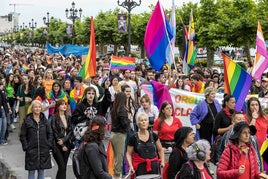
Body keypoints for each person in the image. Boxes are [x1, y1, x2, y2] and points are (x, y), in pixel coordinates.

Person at [20, 100, 53, 179]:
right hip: (31, 150)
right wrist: (26, 147)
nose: (37, 109)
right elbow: (23, 135)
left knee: (41, 171)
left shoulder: (44, 120)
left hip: (43, 150)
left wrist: (48, 144)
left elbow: (50, 133)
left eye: (39, 107)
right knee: (31, 172)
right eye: (35, 107)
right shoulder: (27, 120)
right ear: (32, 108)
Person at [126, 113, 164, 177]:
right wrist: (130, 166)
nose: (143, 122)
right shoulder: (133, 138)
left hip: (154, 165)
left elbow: (160, 150)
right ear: (138, 123)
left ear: (148, 123)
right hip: (140, 166)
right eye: (141, 120)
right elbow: (128, 153)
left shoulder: (154, 135)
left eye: (145, 120)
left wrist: (162, 162)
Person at [51, 100, 74, 179]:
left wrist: (64, 141)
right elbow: (54, 131)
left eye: (65, 104)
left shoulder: (68, 117)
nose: (64, 106)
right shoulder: (54, 117)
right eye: (62, 104)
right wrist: (61, 144)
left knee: (63, 167)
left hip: (67, 143)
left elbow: (71, 131)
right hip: (57, 145)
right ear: (58, 107)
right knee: (62, 166)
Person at [110, 92, 131, 179]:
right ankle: (117, 175)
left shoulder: (114, 109)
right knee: (119, 156)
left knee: (116, 155)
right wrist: (129, 118)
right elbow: (124, 124)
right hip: (119, 134)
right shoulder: (122, 110)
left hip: (114, 134)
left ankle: (117, 174)